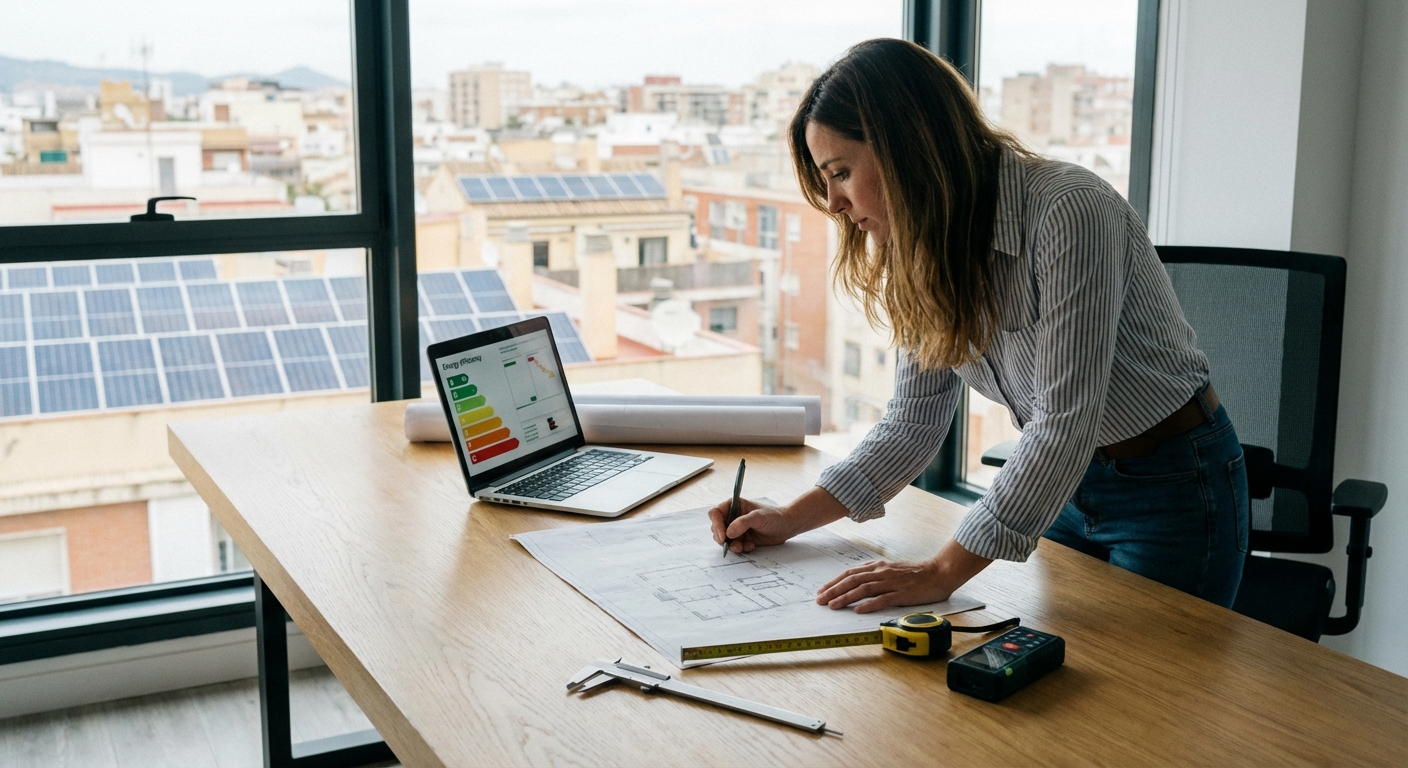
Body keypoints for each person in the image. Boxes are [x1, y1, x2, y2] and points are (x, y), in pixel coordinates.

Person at [709, 38, 1249, 613]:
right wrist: (790, 519)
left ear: (907, 146)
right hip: (1061, 489)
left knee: (1160, 694)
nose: (834, 202)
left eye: (840, 172)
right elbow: (912, 423)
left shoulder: (1070, 211)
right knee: (1069, 677)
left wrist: (942, 572)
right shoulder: (919, 246)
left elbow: (1064, 420)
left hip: (1174, 487)